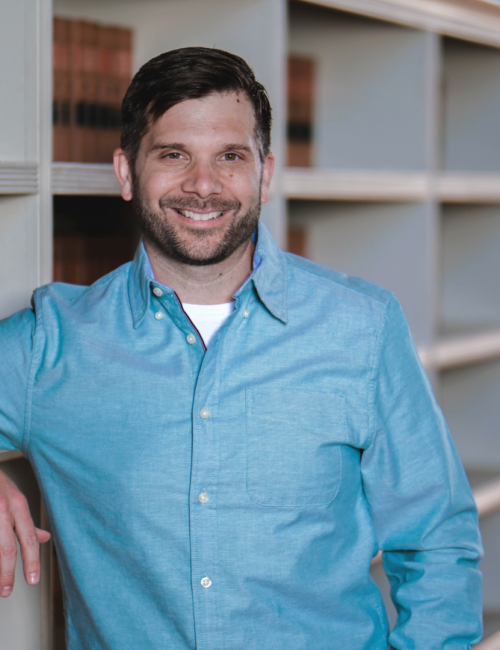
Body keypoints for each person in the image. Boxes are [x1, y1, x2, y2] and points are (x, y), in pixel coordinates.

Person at [0, 47, 482, 649]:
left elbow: (435, 538)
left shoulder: (364, 327)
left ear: (266, 173)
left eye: (230, 156)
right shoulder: (53, 343)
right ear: (126, 173)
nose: (204, 185)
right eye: (173, 155)